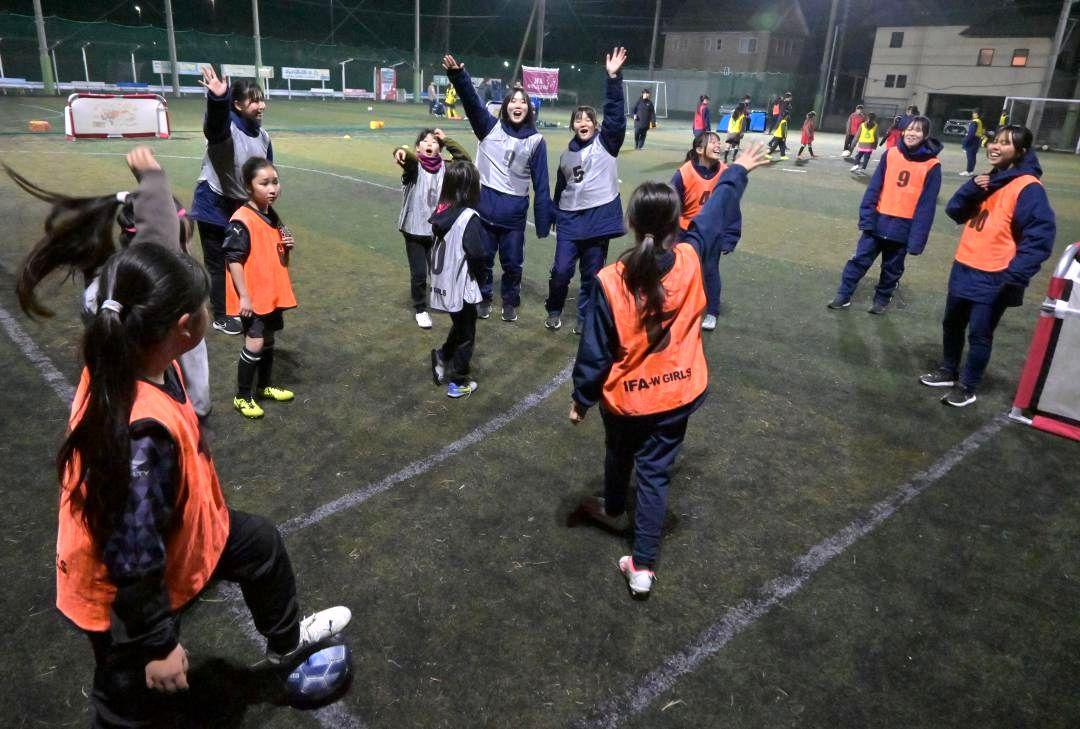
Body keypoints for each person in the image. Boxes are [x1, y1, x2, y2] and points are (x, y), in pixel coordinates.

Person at [31, 241, 351, 727]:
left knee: (259, 545)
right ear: (186, 329)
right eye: (203, 304)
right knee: (128, 700)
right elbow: (133, 554)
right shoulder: (140, 433)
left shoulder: (131, 351)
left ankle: (287, 647)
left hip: (187, 532)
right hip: (122, 593)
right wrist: (157, 644)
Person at [569, 141, 771, 598]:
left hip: (626, 400)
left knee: (619, 453)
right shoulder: (692, 255)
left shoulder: (610, 279)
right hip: (678, 393)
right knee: (656, 474)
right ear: (678, 223)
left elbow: (595, 352)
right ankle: (642, 567)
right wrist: (738, 169)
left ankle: (616, 507)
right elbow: (717, 211)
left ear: (631, 222)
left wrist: (581, 400)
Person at [10, 147, 213, 419]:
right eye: (181, 242)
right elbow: (160, 243)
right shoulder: (151, 423)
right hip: (177, 416)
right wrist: (154, 180)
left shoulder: (107, 292)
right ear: (183, 326)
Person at [920, 125, 1056, 407]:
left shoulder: (1028, 187)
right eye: (994, 141)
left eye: (1005, 143)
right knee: (952, 323)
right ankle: (948, 370)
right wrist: (970, 188)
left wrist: (1015, 275)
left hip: (995, 274)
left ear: (1021, 152)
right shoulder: (989, 179)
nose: (995, 147)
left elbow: (1040, 237)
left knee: (980, 333)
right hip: (965, 265)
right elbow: (955, 211)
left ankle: (968, 386)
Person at [442, 53, 552, 322]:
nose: (517, 105)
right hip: (484, 210)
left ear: (529, 109)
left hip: (513, 216)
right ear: (505, 106)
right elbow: (471, 102)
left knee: (513, 264)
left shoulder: (536, 141)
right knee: (483, 259)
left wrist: (542, 221)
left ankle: (510, 301)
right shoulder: (488, 128)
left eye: (522, 102)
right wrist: (458, 76)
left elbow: (541, 183)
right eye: (513, 100)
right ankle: (484, 296)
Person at [546, 47, 628, 335]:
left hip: (597, 219)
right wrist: (553, 213)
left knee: (592, 276)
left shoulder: (607, 143)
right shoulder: (566, 156)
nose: (583, 123)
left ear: (595, 125)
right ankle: (554, 308)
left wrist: (613, 78)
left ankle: (584, 317)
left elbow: (617, 117)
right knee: (560, 272)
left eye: (588, 119)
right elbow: (560, 189)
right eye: (578, 120)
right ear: (572, 125)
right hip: (569, 220)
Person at [828, 116, 943, 314]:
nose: (912, 133)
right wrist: (867, 217)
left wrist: (917, 239)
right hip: (878, 223)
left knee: (892, 269)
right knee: (858, 261)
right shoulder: (890, 154)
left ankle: (881, 298)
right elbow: (874, 188)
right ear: (903, 131)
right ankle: (844, 294)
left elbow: (927, 206)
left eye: (918, 130)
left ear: (925, 135)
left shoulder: (932, 165)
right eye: (909, 129)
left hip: (903, 228)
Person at [191, 65, 272, 337]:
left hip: (243, 208)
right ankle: (222, 315)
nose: (261, 105)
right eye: (254, 100)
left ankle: (242, 304)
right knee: (218, 262)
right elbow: (213, 126)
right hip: (214, 203)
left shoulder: (263, 136)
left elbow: (264, 175)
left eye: (262, 99)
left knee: (241, 259)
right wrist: (217, 99)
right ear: (236, 105)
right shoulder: (225, 128)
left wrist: (267, 212)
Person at [223, 158, 297, 419]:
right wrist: (244, 296)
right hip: (253, 297)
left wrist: (285, 248)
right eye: (264, 183)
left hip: (270, 295)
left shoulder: (271, 215)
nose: (272, 188)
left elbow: (275, 257)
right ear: (248, 186)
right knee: (254, 343)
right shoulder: (241, 219)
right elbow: (234, 260)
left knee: (268, 340)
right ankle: (242, 397)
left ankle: (264, 387)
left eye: (275, 181)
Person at [393, 127, 472, 329]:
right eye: (425, 141)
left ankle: (443, 298)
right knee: (419, 273)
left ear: (440, 147)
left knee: (439, 271)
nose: (429, 144)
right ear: (418, 147)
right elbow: (407, 158)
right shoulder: (413, 168)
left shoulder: (446, 168)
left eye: (434, 142)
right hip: (413, 230)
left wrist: (447, 140)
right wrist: (398, 151)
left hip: (436, 230)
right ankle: (420, 309)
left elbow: (465, 160)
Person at [428, 161, 488, 399]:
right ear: (469, 189)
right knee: (467, 334)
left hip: (444, 283)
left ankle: (442, 356)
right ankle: (459, 380)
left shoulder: (442, 212)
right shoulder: (468, 217)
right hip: (461, 286)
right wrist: (480, 279)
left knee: (462, 324)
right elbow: (477, 254)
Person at [672, 131, 740, 331]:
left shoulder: (725, 173)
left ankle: (712, 311)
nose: (718, 145)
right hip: (686, 231)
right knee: (680, 270)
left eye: (719, 142)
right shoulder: (684, 173)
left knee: (710, 272)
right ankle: (677, 306)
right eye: (712, 142)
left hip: (712, 233)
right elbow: (670, 204)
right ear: (699, 149)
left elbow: (732, 207)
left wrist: (731, 236)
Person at [959, 110, 984, 176]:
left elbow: (971, 134)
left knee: (970, 156)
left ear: (977, 114)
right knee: (973, 157)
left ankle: (968, 171)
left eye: (974, 113)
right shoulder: (979, 121)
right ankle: (970, 171)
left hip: (972, 140)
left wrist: (965, 142)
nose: (973, 114)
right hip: (977, 140)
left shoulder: (975, 122)